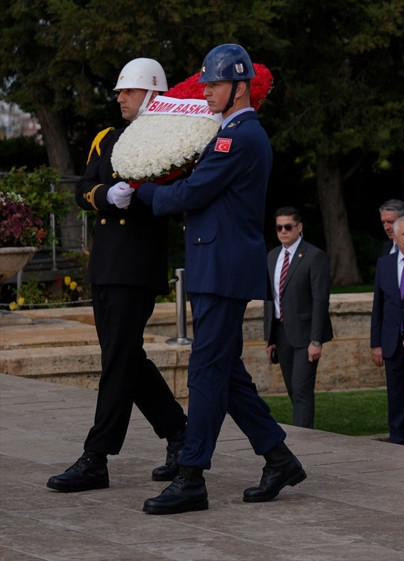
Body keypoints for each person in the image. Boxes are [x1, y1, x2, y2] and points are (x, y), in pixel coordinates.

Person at [135, 44, 306, 514]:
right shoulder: (230, 132)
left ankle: (192, 475)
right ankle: (278, 456)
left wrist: (141, 190)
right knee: (225, 372)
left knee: (206, 371)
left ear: (239, 87)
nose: (206, 90)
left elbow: (194, 191)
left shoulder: (239, 137)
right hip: (218, 266)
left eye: (213, 83)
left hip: (222, 269)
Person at [47, 58, 187, 494]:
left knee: (117, 361)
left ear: (152, 93)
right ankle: (180, 435)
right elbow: (82, 190)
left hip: (137, 265)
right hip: (106, 263)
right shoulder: (107, 138)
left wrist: (142, 196)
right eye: (120, 92)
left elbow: (178, 195)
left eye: (128, 91)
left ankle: (97, 456)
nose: (120, 98)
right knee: (126, 359)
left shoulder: (170, 138)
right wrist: (107, 194)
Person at [267, 206, 333, 429]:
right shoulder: (272, 256)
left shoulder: (315, 256)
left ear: (299, 227)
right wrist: (270, 338)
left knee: (302, 389)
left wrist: (316, 341)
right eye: (279, 227)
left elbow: (320, 301)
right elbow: (271, 299)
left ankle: (304, 439)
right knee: (293, 390)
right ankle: (302, 429)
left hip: (306, 336)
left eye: (288, 227)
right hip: (282, 333)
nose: (283, 231)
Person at [371, 215, 404, 446]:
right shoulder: (384, 264)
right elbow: (378, 306)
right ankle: (398, 439)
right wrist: (376, 343)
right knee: (396, 396)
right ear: (395, 236)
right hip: (392, 343)